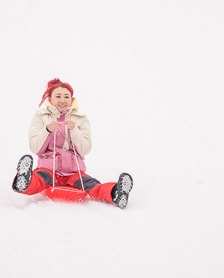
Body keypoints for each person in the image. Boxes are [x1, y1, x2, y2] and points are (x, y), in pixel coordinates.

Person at [12, 78, 133, 209]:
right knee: (40, 180)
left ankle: (116, 193)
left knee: (92, 185)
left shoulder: (81, 118)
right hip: (48, 169)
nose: (62, 100)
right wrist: (47, 130)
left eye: (66, 97)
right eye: (58, 96)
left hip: (74, 173)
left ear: (71, 99)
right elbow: (36, 148)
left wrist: (74, 130)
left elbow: (84, 149)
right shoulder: (41, 116)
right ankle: (24, 181)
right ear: (50, 99)